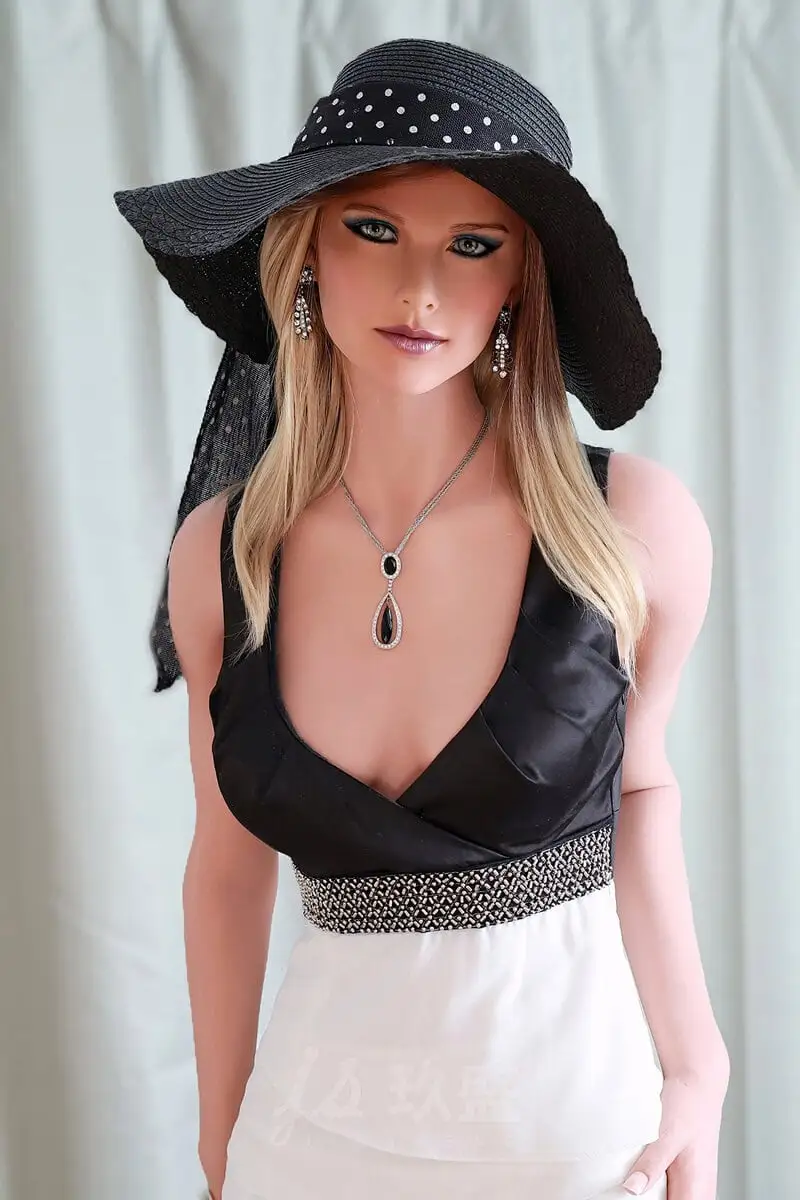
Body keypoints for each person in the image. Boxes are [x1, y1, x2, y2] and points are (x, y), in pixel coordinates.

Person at [114, 37, 730, 1200]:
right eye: (374, 229)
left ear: (520, 280)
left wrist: (697, 1065)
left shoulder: (632, 528)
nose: (421, 290)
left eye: (473, 245)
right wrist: (220, 1138)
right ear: (304, 250)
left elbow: (640, 792)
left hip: (571, 1138)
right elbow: (228, 868)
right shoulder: (222, 556)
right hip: (304, 1140)